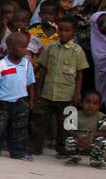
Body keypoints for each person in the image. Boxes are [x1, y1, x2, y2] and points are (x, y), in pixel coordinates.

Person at [31, 15, 88, 155]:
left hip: (66, 93)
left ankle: (64, 149)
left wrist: (77, 94)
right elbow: (44, 69)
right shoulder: (50, 48)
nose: (63, 33)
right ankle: (35, 146)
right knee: (39, 120)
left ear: (74, 32)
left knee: (66, 124)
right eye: (61, 30)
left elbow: (80, 74)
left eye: (67, 31)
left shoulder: (77, 51)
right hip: (47, 92)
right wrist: (38, 90)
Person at [0, 31, 36, 160]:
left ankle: (20, 152)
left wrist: (32, 99)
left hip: (21, 102)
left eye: (26, 46)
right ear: (11, 49)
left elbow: (31, 83)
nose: (26, 50)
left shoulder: (27, 65)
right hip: (3, 102)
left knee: (20, 129)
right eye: (22, 47)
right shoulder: (1, 65)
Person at [63, 91, 106, 168]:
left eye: (95, 103)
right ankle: (74, 157)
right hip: (79, 140)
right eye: (87, 102)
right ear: (81, 103)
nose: (91, 106)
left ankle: (96, 160)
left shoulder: (101, 117)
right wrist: (78, 135)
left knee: (103, 141)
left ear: (99, 106)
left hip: (92, 142)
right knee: (69, 140)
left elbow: (104, 132)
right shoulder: (75, 115)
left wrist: (92, 135)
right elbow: (70, 130)